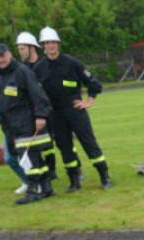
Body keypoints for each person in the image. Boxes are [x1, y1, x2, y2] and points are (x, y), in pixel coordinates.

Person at [32, 26, 111, 191]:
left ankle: (104, 177)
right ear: (43, 46)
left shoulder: (72, 63)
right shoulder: (38, 68)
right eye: (47, 43)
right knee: (65, 147)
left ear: (58, 44)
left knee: (89, 143)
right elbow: (35, 92)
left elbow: (94, 83)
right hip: (55, 114)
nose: (51, 45)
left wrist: (88, 101)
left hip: (75, 111)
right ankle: (74, 181)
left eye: (54, 42)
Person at [0, 42, 55, 204]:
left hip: (27, 123)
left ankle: (34, 190)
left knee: (28, 159)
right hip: (12, 126)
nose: (0, 59)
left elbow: (38, 95)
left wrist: (41, 116)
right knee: (35, 159)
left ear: (9, 54)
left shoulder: (22, 71)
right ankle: (46, 188)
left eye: (2, 55)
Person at [16, 31, 60, 185]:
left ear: (31, 48)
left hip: (51, 110)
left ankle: (52, 169)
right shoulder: (21, 68)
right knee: (41, 143)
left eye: (22, 48)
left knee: (52, 143)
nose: (19, 52)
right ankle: (45, 172)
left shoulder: (44, 64)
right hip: (35, 112)